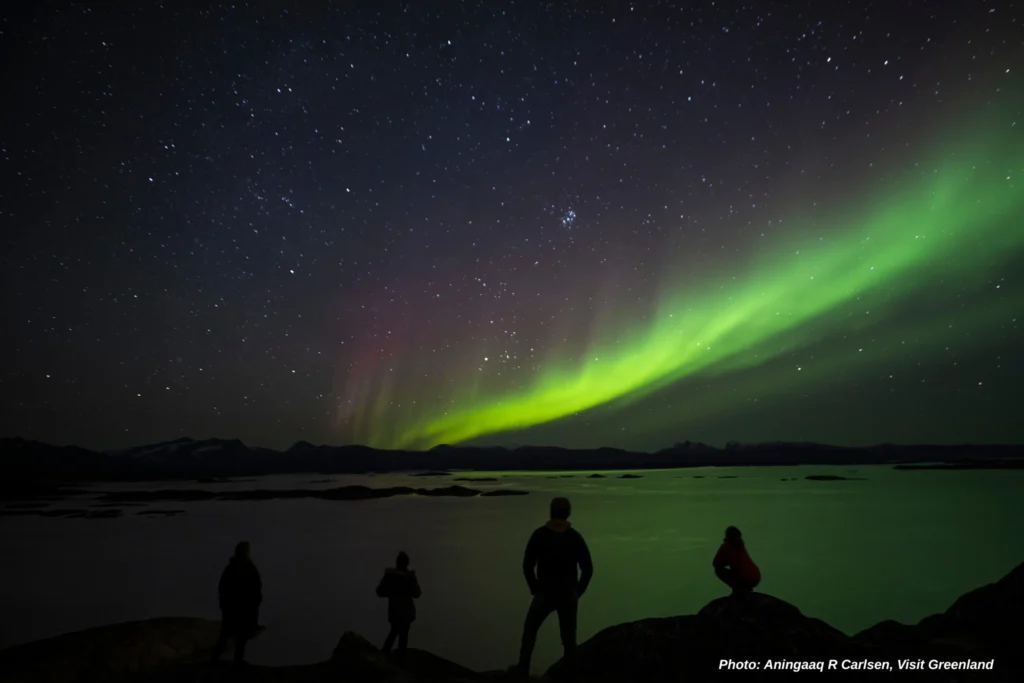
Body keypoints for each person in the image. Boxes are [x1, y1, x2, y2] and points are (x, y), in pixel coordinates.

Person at [514, 497, 593, 678]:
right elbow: (588, 569)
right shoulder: (575, 537)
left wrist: (534, 587)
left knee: (530, 632)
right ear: (568, 513)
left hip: (545, 593)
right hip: (567, 594)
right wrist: (577, 591)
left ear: (551, 512)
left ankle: (522, 671)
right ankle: (570, 675)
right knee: (568, 639)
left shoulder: (539, 535)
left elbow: (527, 564)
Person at [210, 541, 263, 667]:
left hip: (237, 607)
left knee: (232, 634)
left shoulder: (234, 567)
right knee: (237, 634)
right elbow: (255, 588)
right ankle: (227, 660)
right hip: (240, 607)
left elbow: (223, 588)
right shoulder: (246, 568)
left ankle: (220, 659)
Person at [376, 551, 422, 652]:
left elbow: (380, 591)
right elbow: (417, 593)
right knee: (403, 635)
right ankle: (399, 657)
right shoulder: (410, 577)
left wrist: (392, 592)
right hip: (407, 610)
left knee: (394, 632)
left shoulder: (390, 576)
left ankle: (385, 654)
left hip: (395, 609)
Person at [712, 526, 761, 596]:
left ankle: (738, 590)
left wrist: (724, 562)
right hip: (756, 577)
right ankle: (745, 589)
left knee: (718, 570)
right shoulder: (741, 545)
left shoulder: (726, 546)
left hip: (744, 578)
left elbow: (715, 563)